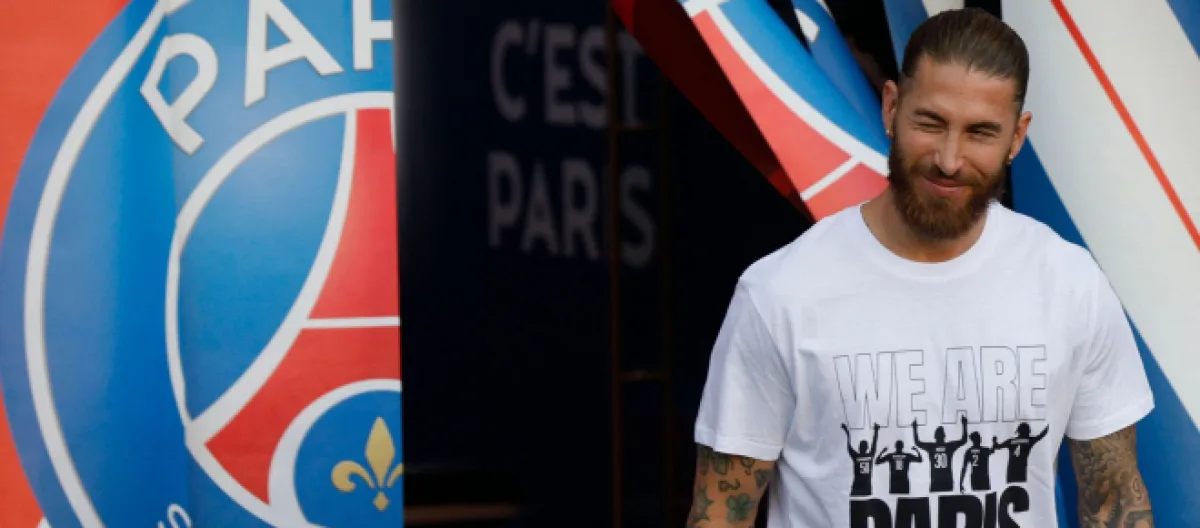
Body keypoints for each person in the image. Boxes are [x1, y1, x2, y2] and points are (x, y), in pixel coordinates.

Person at [687, 8, 1155, 528]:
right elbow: (720, 512)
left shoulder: (1070, 284)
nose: (949, 159)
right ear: (891, 107)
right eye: (930, 123)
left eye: (980, 132)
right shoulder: (779, 293)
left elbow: (1115, 503)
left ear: (1017, 138)